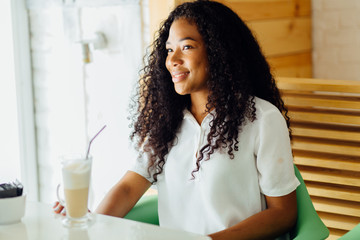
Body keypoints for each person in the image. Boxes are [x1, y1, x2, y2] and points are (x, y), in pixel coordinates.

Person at [54, 1, 300, 239]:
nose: (172, 60)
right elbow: (129, 188)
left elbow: (283, 214)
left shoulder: (262, 118)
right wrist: (91, 223)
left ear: (219, 51)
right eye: (170, 49)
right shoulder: (169, 124)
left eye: (188, 47)